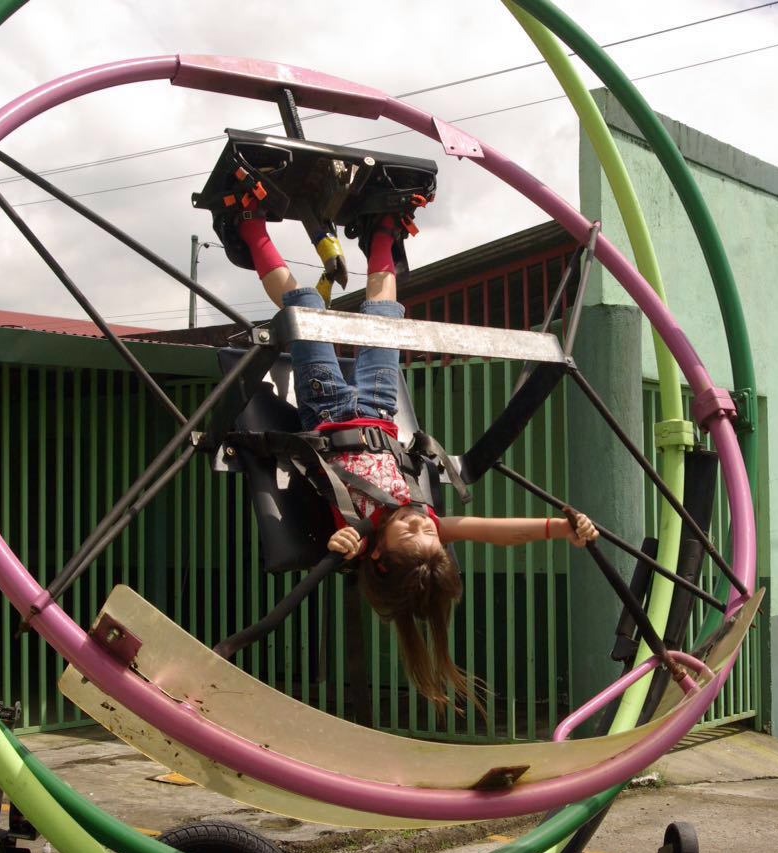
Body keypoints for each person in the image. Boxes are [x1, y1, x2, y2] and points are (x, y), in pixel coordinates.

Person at [235, 206, 600, 713]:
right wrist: (560, 530)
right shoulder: (425, 524)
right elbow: (494, 531)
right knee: (384, 315)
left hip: (326, 408)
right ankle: (381, 230)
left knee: (300, 304)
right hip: (381, 409)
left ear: (378, 555)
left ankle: (249, 228)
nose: (419, 523)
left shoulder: (358, 542)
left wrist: (341, 543)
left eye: (411, 534)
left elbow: (338, 546)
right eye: (428, 533)